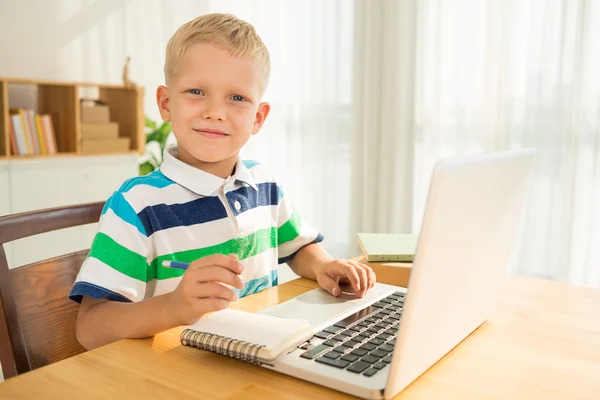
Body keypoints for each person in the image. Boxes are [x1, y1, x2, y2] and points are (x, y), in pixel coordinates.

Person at [69, 13, 375, 350]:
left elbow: (299, 247)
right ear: (166, 104)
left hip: (262, 357)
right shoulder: (135, 206)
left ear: (258, 118)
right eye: (196, 91)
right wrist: (173, 307)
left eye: (237, 98)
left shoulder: (264, 185)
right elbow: (91, 327)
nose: (216, 111)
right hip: (176, 374)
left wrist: (324, 265)